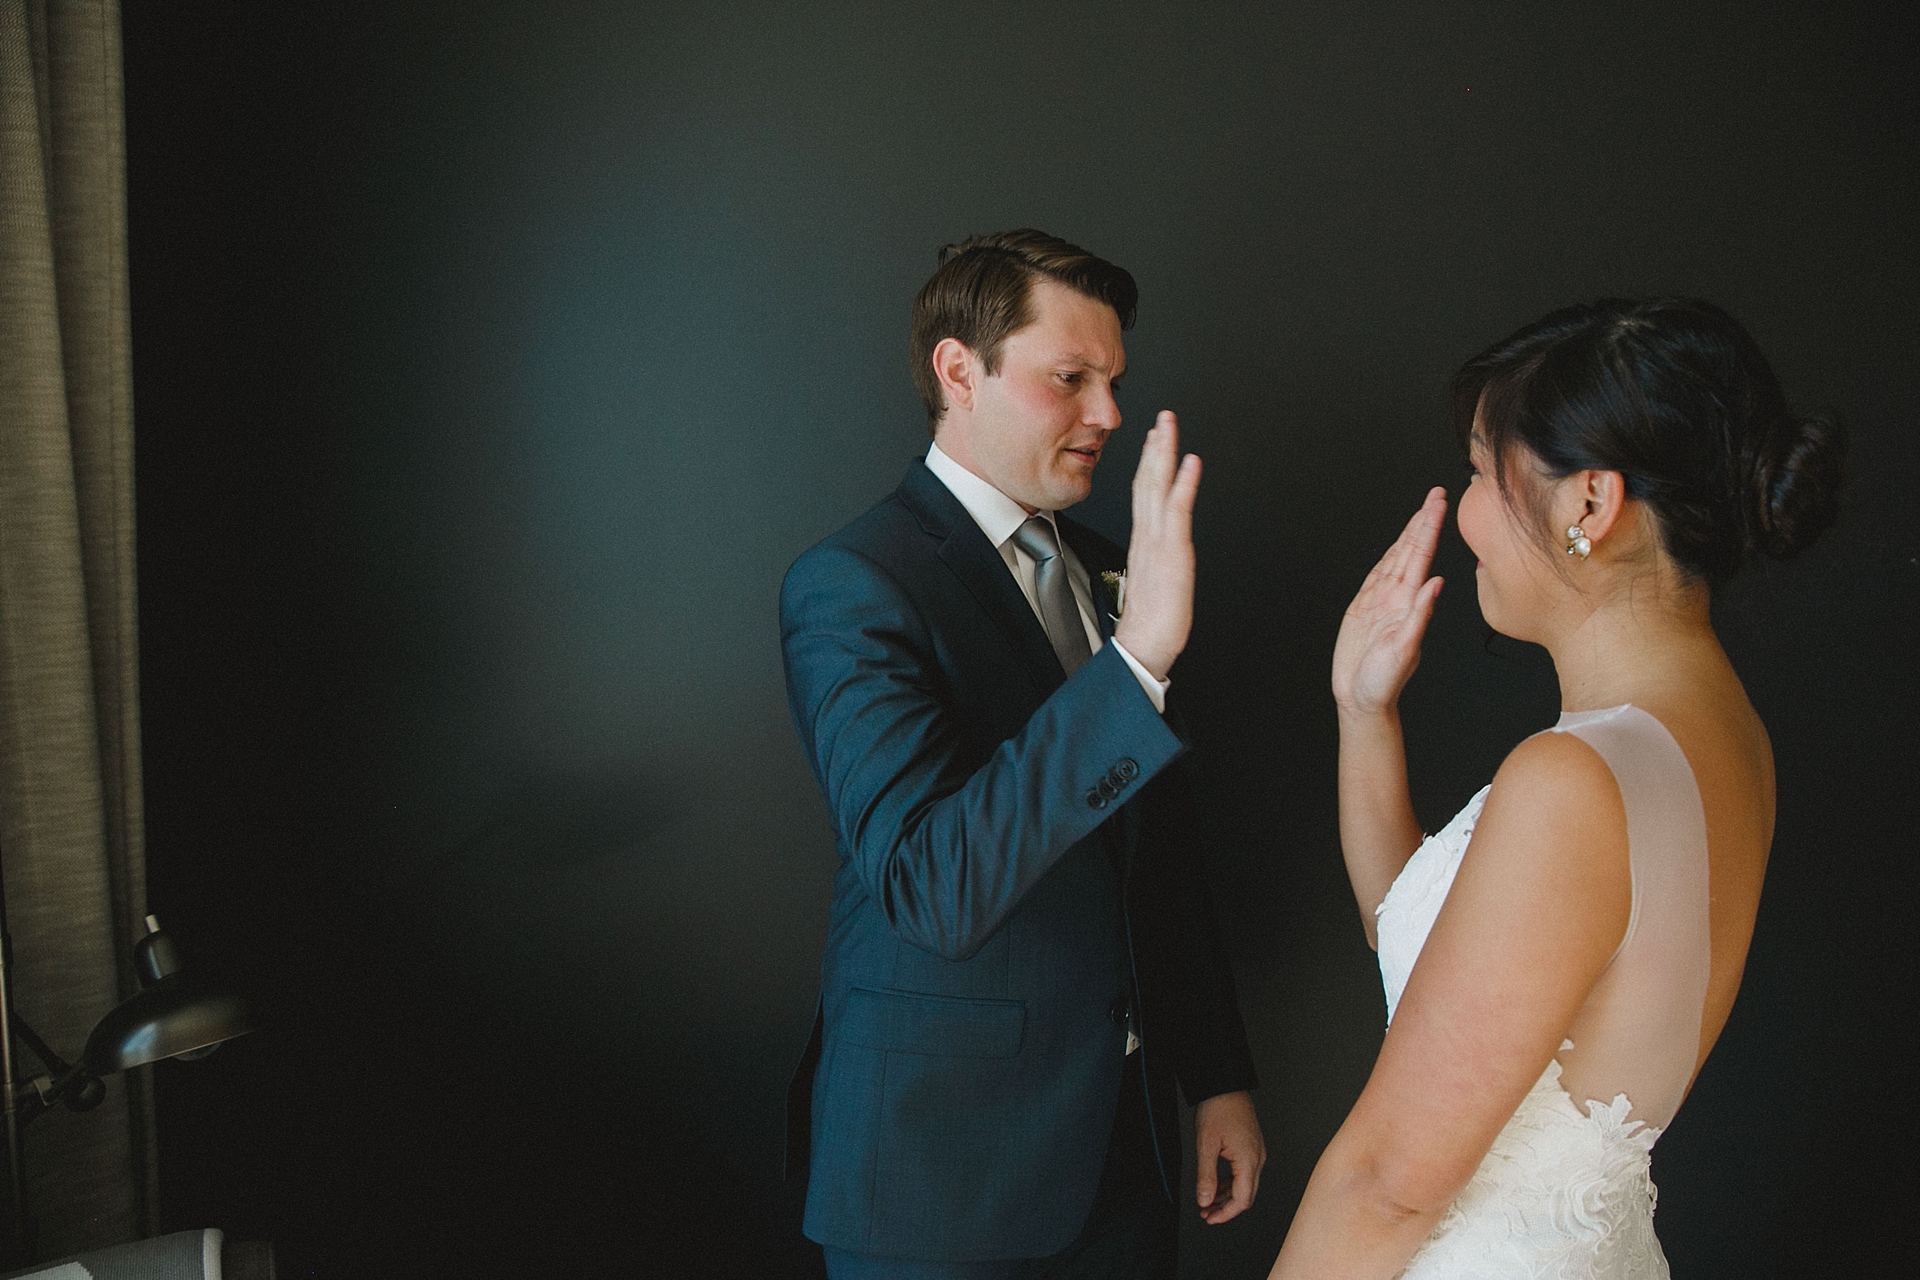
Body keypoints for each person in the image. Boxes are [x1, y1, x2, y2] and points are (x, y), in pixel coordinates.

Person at [1269, 297, 1846, 1279]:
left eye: (1483, 469)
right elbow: (1436, 956)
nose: (1465, 509)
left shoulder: (1572, 779)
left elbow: (1389, 1181)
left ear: (1589, 503)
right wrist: (1365, 717)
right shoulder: (1726, 735)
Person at [780, 230, 1264, 1279]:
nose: (1110, 414)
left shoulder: (1105, 567)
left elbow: (1156, 851)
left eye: (1114, 381)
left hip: (1123, 1157)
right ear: (961, 370)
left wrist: (1214, 1074)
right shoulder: (853, 586)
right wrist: (1133, 666)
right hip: (941, 1181)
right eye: (1070, 379)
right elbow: (932, 882)